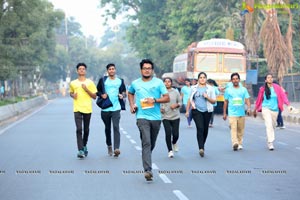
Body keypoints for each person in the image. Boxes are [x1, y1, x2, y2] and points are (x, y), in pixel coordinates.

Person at [128, 59, 170, 181]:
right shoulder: (135, 83)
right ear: (141, 70)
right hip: (141, 117)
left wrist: (155, 100)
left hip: (156, 118)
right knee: (146, 141)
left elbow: (166, 98)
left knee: (151, 143)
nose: (147, 70)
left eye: (149, 68)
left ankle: (146, 155)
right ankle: (148, 170)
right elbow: (130, 93)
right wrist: (132, 105)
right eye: (144, 68)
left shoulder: (159, 83)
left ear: (152, 70)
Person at [253, 74, 290, 150]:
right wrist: (255, 109)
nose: (270, 79)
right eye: (268, 78)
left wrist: (288, 104)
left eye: (271, 77)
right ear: (265, 80)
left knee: (272, 126)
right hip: (266, 109)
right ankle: (270, 142)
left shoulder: (277, 87)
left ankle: (269, 139)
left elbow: (283, 96)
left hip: (275, 110)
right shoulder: (262, 89)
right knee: (269, 125)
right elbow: (259, 99)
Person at [97, 63, 126, 157]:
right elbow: (97, 91)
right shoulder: (103, 80)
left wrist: (122, 95)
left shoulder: (120, 81)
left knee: (116, 127)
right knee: (107, 128)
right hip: (105, 108)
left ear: (115, 70)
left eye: (113, 69)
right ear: (107, 71)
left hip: (116, 108)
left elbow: (123, 91)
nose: (112, 70)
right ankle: (109, 145)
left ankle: (116, 148)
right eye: (110, 69)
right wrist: (102, 95)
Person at [69, 63, 97, 158]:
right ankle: (80, 150)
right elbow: (71, 93)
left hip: (87, 108)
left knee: (86, 130)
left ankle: (84, 145)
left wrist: (86, 90)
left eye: (83, 69)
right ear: (77, 71)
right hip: (77, 108)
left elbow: (94, 96)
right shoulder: (73, 83)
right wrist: (73, 96)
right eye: (80, 69)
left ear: (85, 71)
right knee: (79, 129)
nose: (81, 70)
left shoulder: (90, 83)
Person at [185, 72, 216, 157]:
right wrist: (187, 111)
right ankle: (201, 148)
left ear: (206, 79)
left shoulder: (210, 89)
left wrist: (207, 97)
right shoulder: (193, 88)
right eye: (201, 77)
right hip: (196, 111)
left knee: (205, 129)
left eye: (204, 77)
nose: (202, 79)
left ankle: (202, 144)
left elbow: (214, 101)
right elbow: (189, 99)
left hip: (207, 111)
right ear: (198, 79)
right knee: (200, 128)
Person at [223, 73, 251, 151]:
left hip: (241, 113)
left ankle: (240, 143)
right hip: (232, 113)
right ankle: (235, 143)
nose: (235, 80)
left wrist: (248, 108)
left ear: (239, 80)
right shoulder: (228, 90)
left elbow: (247, 99)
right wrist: (224, 113)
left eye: (236, 79)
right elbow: (225, 102)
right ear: (231, 81)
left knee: (240, 129)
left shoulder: (243, 89)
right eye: (233, 79)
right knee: (233, 128)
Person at [161, 77, 181, 158]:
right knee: (168, 133)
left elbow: (180, 102)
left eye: (169, 81)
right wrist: (160, 109)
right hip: (165, 116)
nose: (167, 83)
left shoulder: (175, 92)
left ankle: (174, 142)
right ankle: (170, 150)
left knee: (176, 134)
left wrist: (176, 105)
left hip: (175, 116)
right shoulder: (161, 92)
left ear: (171, 83)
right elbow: (157, 103)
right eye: (165, 82)